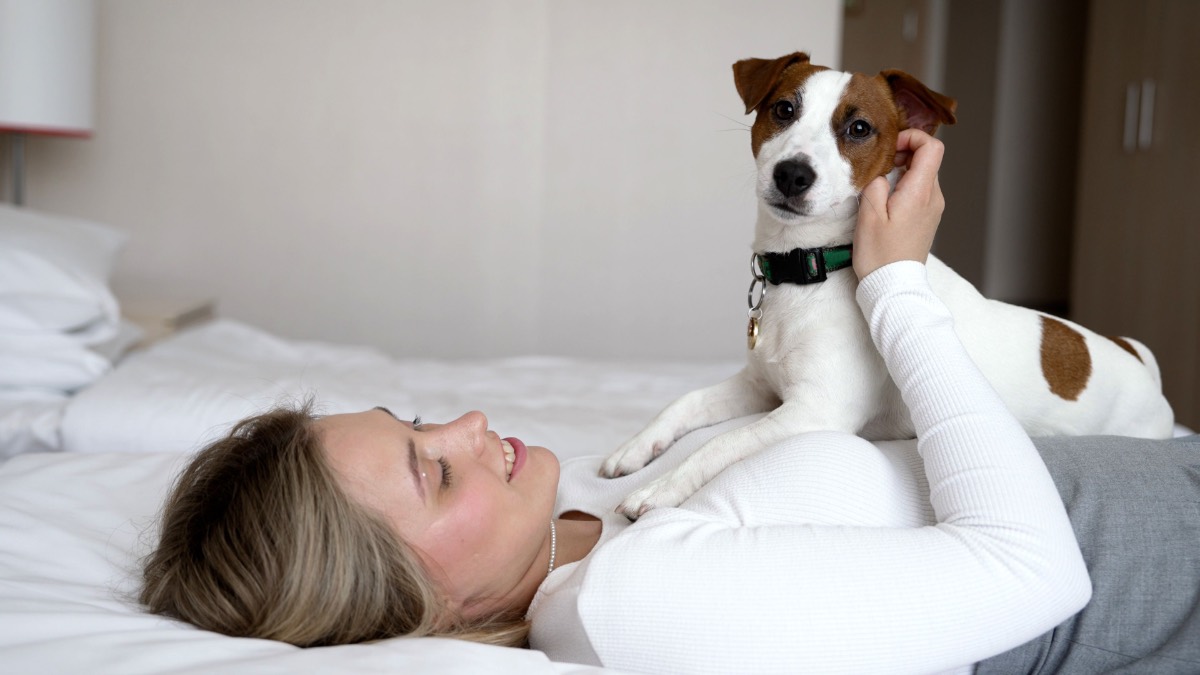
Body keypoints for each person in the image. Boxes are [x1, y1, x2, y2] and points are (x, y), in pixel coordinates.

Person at [140, 131, 1200, 673]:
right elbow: (1036, 569)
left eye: (419, 422)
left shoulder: (590, 538)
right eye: (435, 470)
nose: (467, 427)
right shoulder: (622, 603)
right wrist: (895, 286)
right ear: (425, 606)